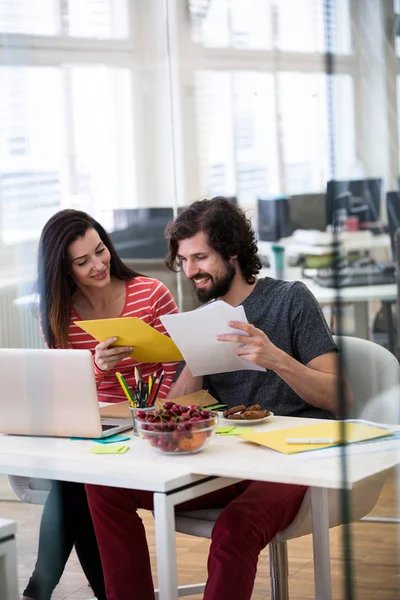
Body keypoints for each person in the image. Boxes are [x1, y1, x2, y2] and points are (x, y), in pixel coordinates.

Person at [85, 197, 352, 600]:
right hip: (229, 458)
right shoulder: (202, 316)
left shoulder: (290, 299)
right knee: (102, 486)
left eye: (200, 257)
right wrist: (195, 353)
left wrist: (277, 359)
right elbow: (174, 407)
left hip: (295, 458)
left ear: (233, 252)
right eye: (184, 260)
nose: (190, 271)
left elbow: (340, 397)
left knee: (235, 526)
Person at [22, 209, 179, 600]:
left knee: (77, 484)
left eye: (100, 250)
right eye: (82, 261)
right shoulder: (59, 312)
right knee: (79, 481)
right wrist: (94, 365)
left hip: (148, 425)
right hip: (93, 429)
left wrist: (155, 411)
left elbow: (182, 366)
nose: (98, 264)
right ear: (63, 269)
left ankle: (41, 590)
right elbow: (63, 389)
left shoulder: (151, 293)